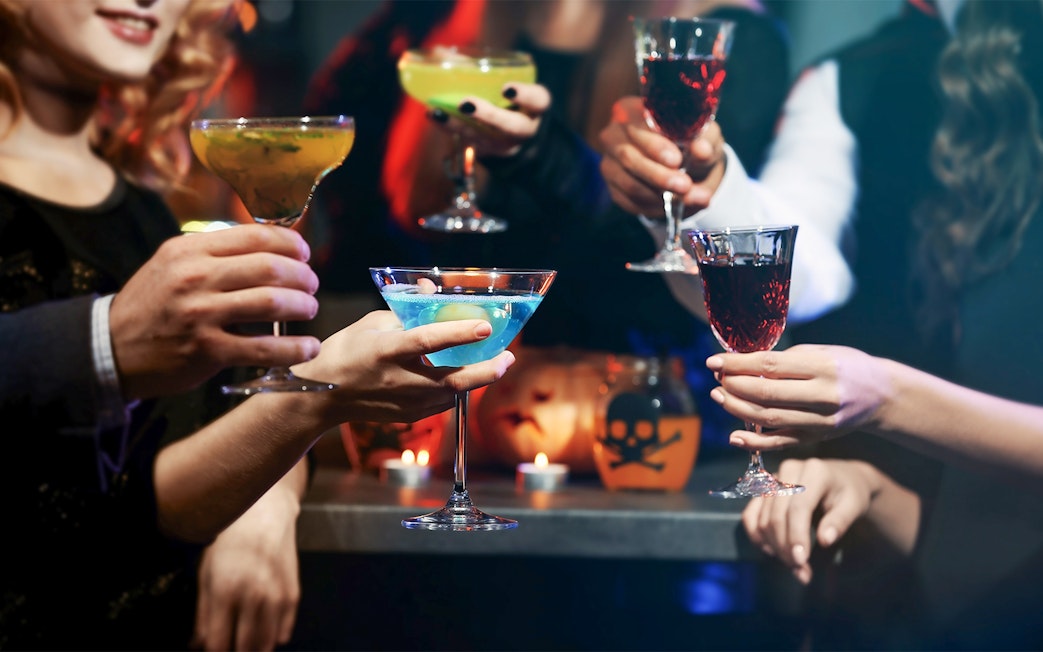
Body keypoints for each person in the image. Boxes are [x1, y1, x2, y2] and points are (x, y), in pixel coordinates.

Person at [0, 0, 515, 649]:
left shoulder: (142, 211)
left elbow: (212, 433)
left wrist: (265, 500)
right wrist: (311, 407)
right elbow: (82, 517)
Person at [599, 0, 1043, 648]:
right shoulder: (854, 78)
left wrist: (889, 398)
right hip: (931, 588)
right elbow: (799, 270)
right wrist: (703, 189)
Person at [303, 0, 792, 454]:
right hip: (446, 432)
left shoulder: (712, 43)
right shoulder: (423, 19)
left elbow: (674, 256)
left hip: (635, 432)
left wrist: (533, 154)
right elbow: (356, 220)